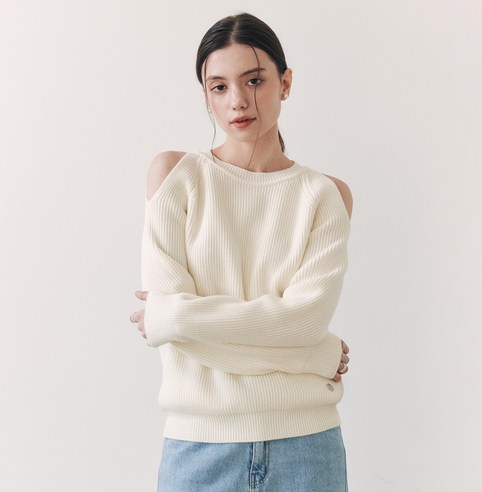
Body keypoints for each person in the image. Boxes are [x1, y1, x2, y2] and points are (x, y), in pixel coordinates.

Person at [129, 12, 352, 492]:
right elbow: (295, 333)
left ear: (285, 83)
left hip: (307, 448)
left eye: (254, 80)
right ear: (205, 94)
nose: (237, 101)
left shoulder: (325, 195)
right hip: (198, 448)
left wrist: (175, 317)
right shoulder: (176, 177)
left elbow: (302, 322)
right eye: (219, 87)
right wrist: (317, 356)